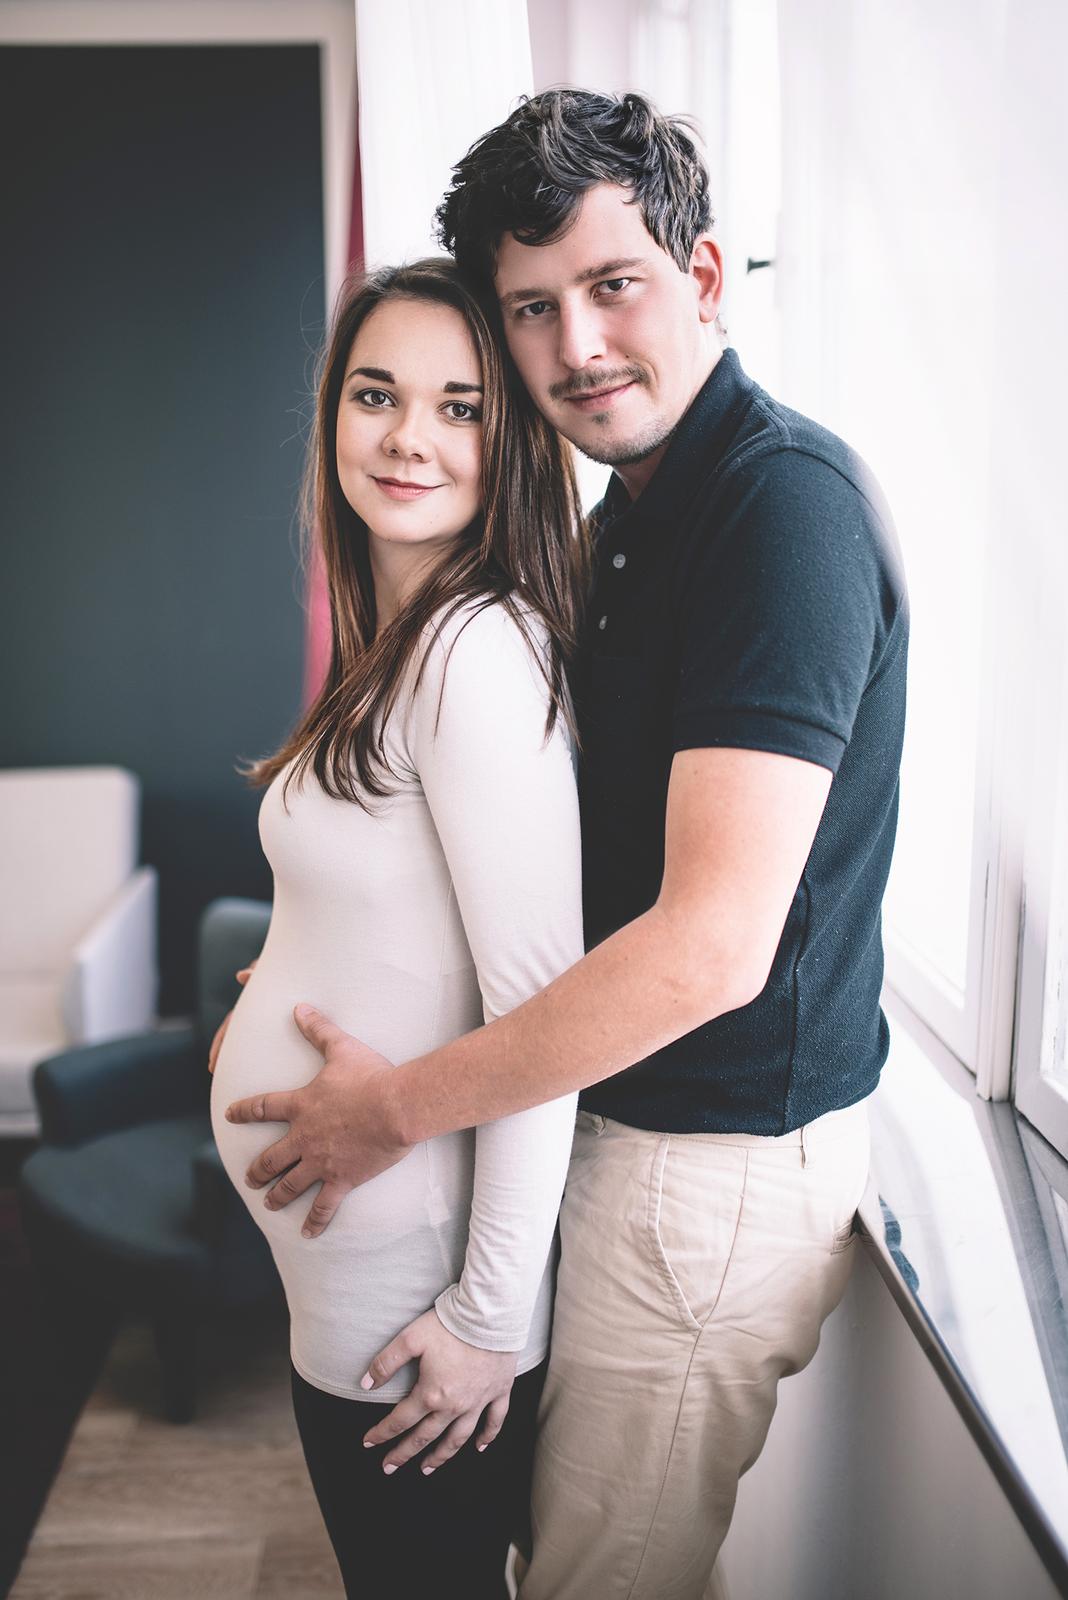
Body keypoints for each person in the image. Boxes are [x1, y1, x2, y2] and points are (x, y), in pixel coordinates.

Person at [224, 90, 909, 1599]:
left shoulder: (779, 514)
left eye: (614, 286)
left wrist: (395, 1111)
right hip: (622, 1139)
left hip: (704, 1170)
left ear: (705, 276)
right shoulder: (632, 518)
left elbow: (711, 950)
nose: (577, 346)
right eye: (533, 308)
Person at [208, 256, 587, 1600]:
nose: (407, 438)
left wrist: (487, 1318)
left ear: (512, 439)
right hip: (358, 1256)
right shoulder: (400, 636)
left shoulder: (474, 649)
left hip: (415, 1278)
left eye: (458, 407)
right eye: (376, 395)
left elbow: (546, 1015)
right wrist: (274, 984)